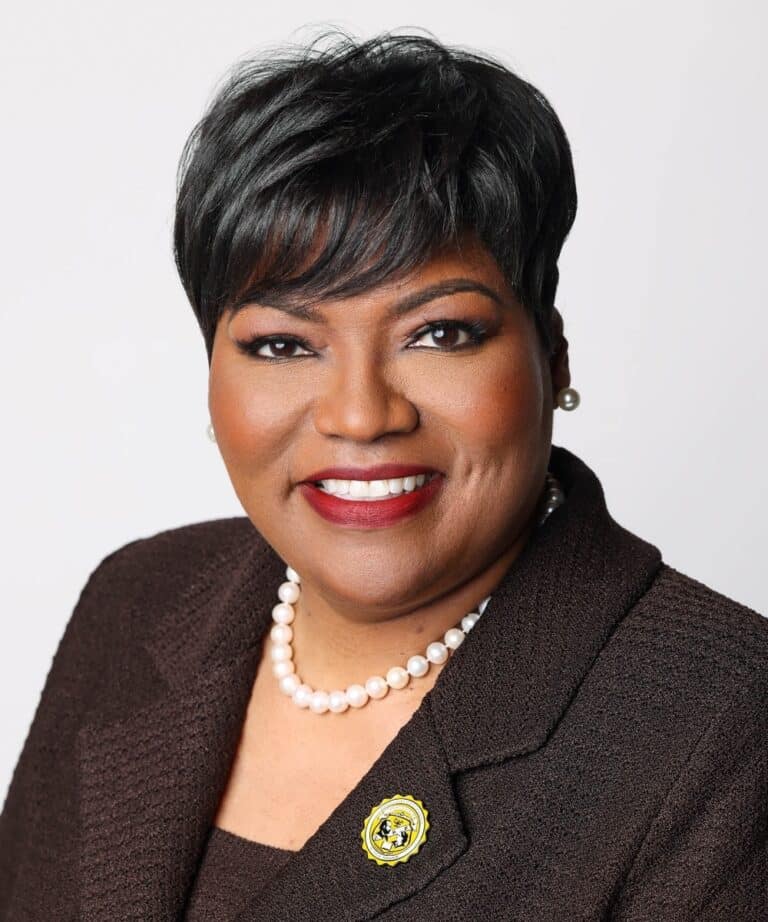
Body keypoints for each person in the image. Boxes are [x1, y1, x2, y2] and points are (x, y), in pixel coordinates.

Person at [1, 31, 766, 922]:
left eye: (439, 333)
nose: (360, 414)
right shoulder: (139, 601)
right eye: (283, 345)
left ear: (551, 356)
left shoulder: (718, 718)